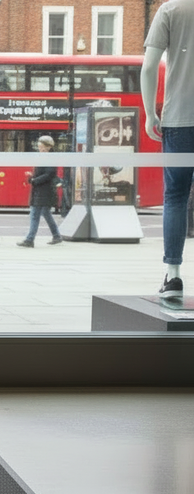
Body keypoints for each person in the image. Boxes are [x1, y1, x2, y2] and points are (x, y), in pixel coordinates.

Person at [142, 0, 194, 299]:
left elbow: (149, 66)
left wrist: (151, 112)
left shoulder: (170, 10)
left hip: (180, 120)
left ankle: (173, 276)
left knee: (175, 196)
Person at [18, 136, 64, 248]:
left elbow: (49, 174)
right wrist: (32, 177)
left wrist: (34, 180)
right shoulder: (44, 157)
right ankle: (57, 235)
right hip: (41, 190)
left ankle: (30, 240)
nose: (40, 149)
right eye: (39, 147)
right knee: (46, 214)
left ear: (49, 147)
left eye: (43, 147)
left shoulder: (50, 158)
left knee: (34, 214)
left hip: (44, 190)